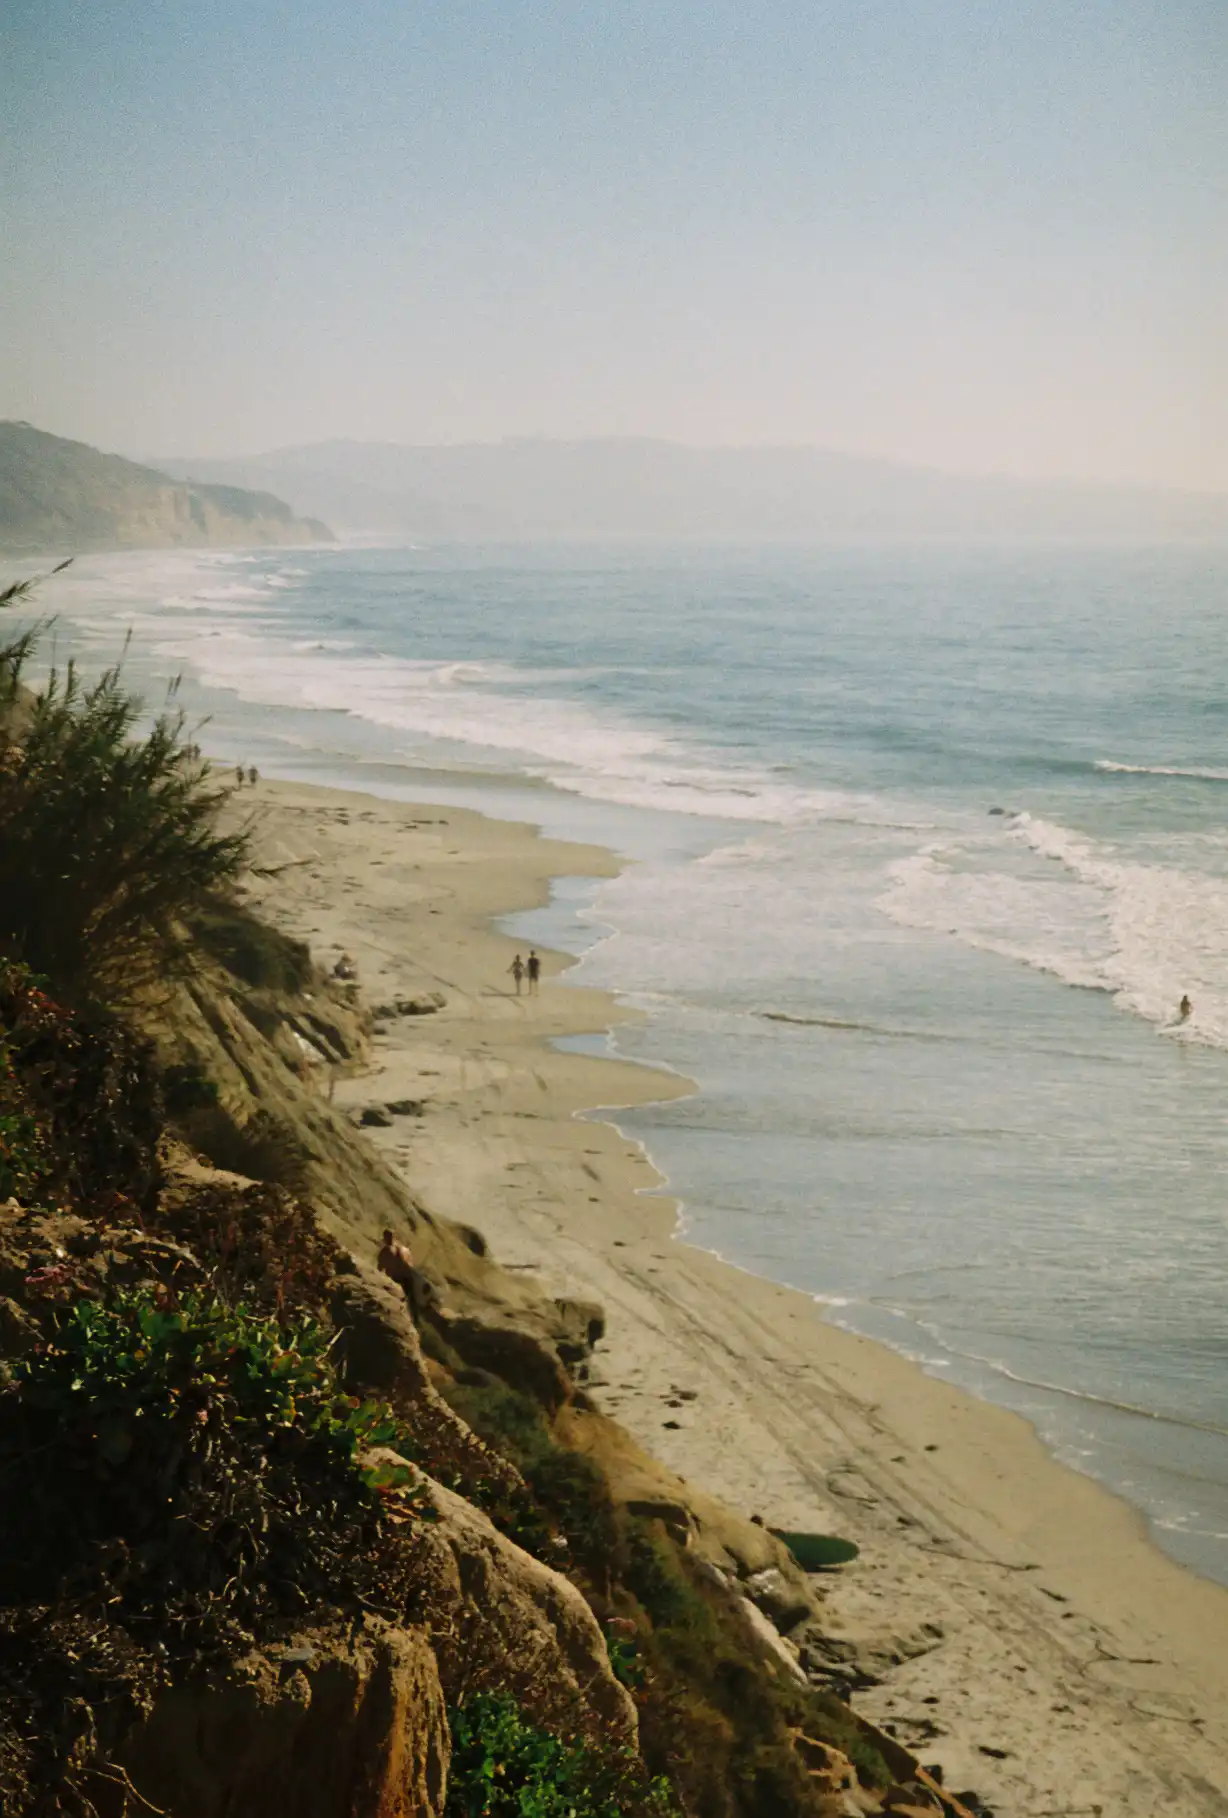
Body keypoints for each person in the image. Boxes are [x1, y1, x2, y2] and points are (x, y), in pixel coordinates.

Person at [378, 1226, 420, 1317]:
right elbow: (411, 1267)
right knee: (412, 1309)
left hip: (396, 1282)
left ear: (385, 1238)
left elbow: (379, 1271)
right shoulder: (405, 1250)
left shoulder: (386, 1252)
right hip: (410, 1281)